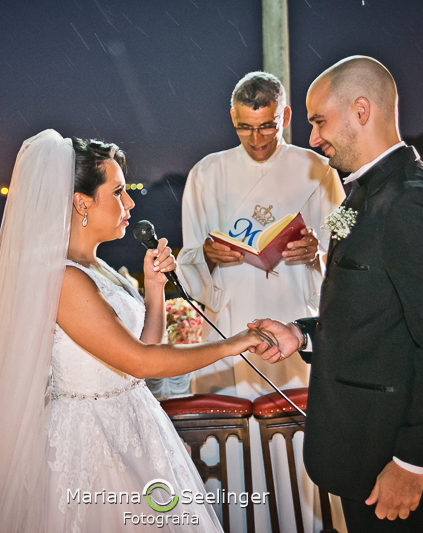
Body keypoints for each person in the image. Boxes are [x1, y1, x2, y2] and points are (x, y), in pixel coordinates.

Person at [0, 130, 262, 533]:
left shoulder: (97, 268)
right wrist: (230, 346)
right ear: (81, 202)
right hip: (92, 439)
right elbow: (140, 362)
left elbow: (140, 349)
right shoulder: (66, 280)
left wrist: (153, 288)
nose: (131, 203)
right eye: (118, 192)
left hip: (135, 419)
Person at [250, 56, 423, 532]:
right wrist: (301, 333)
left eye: (318, 121)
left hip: (390, 464)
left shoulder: (412, 203)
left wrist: (413, 463)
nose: (312, 138)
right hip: (361, 455)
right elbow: (360, 299)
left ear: (360, 110)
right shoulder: (356, 196)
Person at [175, 71, 344, 532]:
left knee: (299, 436)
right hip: (231, 323)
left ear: (284, 116)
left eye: (267, 126)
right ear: (232, 119)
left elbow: (350, 242)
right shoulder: (206, 173)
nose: (257, 139)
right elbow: (188, 258)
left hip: (297, 323)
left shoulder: (319, 170)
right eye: (245, 128)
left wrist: (319, 252)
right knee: (232, 438)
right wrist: (205, 256)